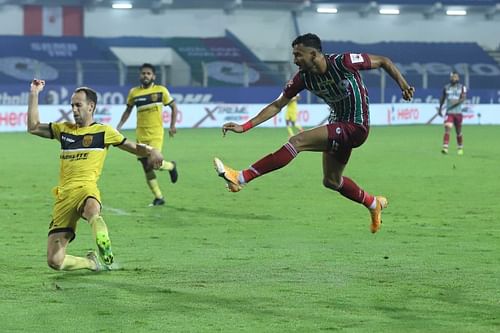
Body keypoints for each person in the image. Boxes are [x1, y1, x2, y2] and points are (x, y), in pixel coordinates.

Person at [213, 33, 414, 233]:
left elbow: (384, 61)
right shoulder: (303, 78)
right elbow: (277, 105)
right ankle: (373, 204)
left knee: (297, 141)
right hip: (338, 124)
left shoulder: (343, 62)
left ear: (313, 54)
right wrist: (245, 126)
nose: (295, 60)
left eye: (298, 55)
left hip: (356, 126)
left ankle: (241, 178)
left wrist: (403, 85)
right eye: (294, 55)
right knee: (331, 181)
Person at [28, 79, 164, 272]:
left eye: (78, 105)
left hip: (86, 188)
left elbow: (133, 147)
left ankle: (104, 244)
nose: (74, 109)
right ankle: (91, 262)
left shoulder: (104, 132)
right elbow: (33, 127)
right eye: (72, 105)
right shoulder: (63, 130)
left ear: (91, 106)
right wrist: (34, 93)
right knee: (55, 261)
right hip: (64, 196)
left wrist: (152, 150)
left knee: (92, 209)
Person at [116, 63, 179, 206]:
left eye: (148, 73)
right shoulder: (134, 93)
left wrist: (172, 126)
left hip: (156, 133)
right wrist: (119, 126)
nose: (145, 75)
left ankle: (171, 167)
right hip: (141, 134)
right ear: (140, 75)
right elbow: (128, 111)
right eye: (143, 73)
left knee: (153, 162)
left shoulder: (161, 91)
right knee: (146, 166)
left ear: (153, 76)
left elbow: (174, 107)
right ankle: (159, 197)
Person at [438, 71, 467, 155]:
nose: (454, 78)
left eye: (455, 77)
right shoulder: (446, 87)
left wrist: (456, 102)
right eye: (452, 77)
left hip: (458, 113)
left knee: (458, 132)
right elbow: (442, 98)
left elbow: (463, 98)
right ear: (450, 78)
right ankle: (445, 147)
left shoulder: (462, 87)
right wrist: (440, 109)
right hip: (449, 112)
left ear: (458, 78)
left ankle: (460, 148)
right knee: (447, 127)